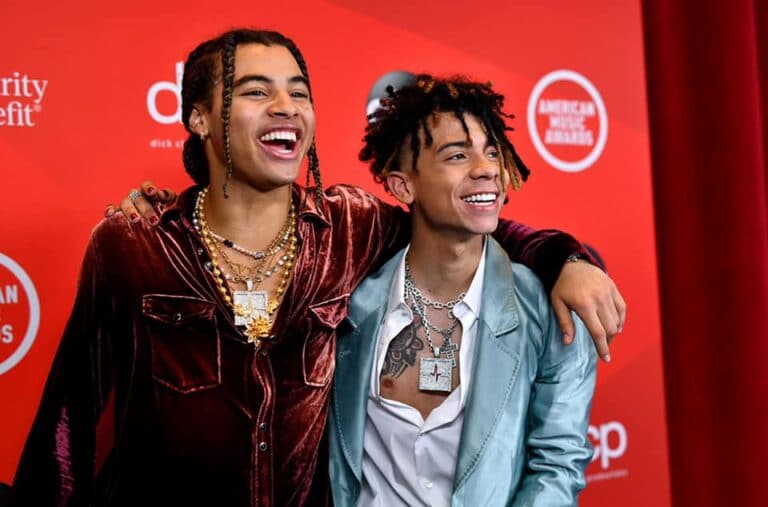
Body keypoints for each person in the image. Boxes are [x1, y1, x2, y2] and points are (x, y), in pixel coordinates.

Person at [12, 28, 622, 506]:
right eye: (257, 91)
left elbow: (461, 224)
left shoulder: (351, 227)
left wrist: (567, 259)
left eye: (299, 92)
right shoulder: (133, 244)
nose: (287, 107)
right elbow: (69, 419)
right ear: (198, 117)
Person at [328, 75, 596, 507]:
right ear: (403, 186)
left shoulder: (550, 308)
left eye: (492, 152)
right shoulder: (347, 305)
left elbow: (558, 465)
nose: (487, 169)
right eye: (458, 155)